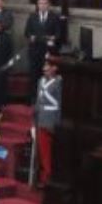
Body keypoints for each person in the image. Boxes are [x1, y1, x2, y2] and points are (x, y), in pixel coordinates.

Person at [32, 58, 61, 186]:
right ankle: (44, 177)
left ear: (55, 68)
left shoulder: (59, 83)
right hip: (40, 120)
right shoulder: (40, 81)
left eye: (48, 66)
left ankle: (49, 178)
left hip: (52, 121)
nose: (44, 68)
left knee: (50, 153)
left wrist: (57, 123)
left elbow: (60, 104)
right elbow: (38, 103)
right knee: (43, 152)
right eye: (44, 66)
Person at [24, 0, 61, 93]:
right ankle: (33, 101)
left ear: (49, 5)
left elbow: (58, 35)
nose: (42, 5)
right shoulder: (32, 17)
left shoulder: (54, 17)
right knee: (34, 77)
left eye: (45, 3)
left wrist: (52, 38)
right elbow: (27, 33)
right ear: (37, 5)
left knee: (46, 77)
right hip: (34, 52)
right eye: (40, 3)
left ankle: (44, 101)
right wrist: (31, 37)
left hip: (48, 53)